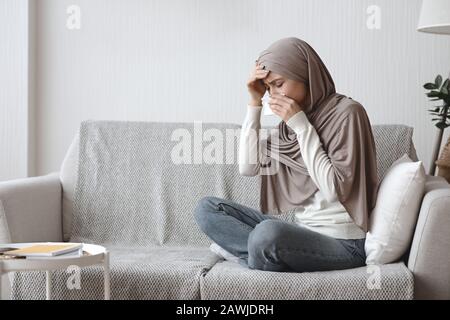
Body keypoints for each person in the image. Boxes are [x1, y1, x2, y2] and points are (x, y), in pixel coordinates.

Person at [194, 37, 379, 273]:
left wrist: (302, 127)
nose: (274, 95)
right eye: (268, 88)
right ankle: (258, 255)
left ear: (305, 74)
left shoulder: (348, 113)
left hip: (345, 244)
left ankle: (247, 255)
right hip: (302, 236)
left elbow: (334, 190)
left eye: (279, 84)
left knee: (268, 233)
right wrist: (254, 103)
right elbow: (248, 168)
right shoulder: (288, 125)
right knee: (207, 208)